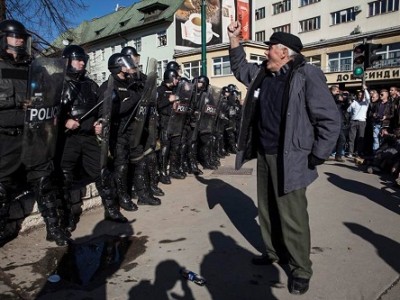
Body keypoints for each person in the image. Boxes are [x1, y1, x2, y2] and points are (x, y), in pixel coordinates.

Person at [228, 21, 340, 295]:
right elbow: (240, 68)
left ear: (284, 52)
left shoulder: (307, 75)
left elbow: (330, 119)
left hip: (292, 156)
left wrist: (318, 155)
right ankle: (273, 252)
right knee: (267, 209)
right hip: (266, 154)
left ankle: (301, 268)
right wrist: (234, 40)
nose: (266, 53)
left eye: (269, 49)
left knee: (292, 215)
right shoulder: (263, 74)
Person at [0, 20, 70, 246]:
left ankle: (54, 227)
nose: (20, 40)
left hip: (34, 134)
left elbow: (50, 95)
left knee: (43, 180)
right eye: (14, 36)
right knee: (2, 188)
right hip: (6, 137)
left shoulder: (35, 68)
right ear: (3, 38)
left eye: (22, 37)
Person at [59, 45, 129, 233]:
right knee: (64, 177)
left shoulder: (90, 84)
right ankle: (65, 217)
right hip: (67, 139)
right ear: (67, 60)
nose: (82, 62)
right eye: (77, 59)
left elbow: (100, 108)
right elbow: (47, 109)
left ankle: (112, 210)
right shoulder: (57, 83)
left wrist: (99, 122)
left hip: (88, 136)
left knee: (102, 171)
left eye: (83, 60)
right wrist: (64, 121)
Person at [346, 86, 370, 158]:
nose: (360, 96)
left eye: (362, 95)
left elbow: (368, 97)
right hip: (353, 121)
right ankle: (350, 152)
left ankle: (358, 152)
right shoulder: (355, 102)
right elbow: (348, 110)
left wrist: (365, 89)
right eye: (359, 95)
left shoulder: (366, 103)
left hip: (362, 122)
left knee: (360, 138)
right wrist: (351, 104)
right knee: (351, 138)